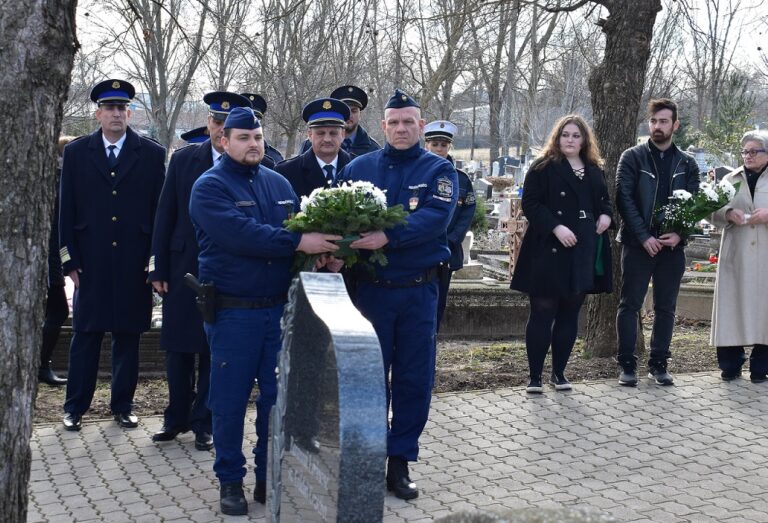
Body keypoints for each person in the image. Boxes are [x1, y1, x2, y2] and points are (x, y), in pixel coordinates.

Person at [188, 106, 340, 515]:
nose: (253, 144)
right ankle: (230, 480)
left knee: (277, 402)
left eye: (257, 137)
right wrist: (297, 244)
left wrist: (323, 256)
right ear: (224, 141)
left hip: (279, 313)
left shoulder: (279, 184)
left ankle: (266, 476)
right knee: (229, 401)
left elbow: (299, 237)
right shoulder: (209, 187)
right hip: (233, 314)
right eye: (243, 138)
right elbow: (241, 236)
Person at [339, 89, 457, 500]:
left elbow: (433, 218)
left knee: (413, 379)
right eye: (395, 122)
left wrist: (388, 234)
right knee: (368, 380)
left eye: (410, 122)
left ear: (421, 127)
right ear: (383, 126)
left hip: (418, 292)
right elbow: (339, 214)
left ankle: (400, 460)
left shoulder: (439, 171)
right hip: (369, 293)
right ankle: (366, 459)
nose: (403, 128)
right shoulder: (358, 167)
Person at [59, 79, 166, 431]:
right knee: (85, 337)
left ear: (129, 113)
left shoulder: (151, 154)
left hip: (134, 264)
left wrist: (154, 264)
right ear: (98, 114)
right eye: (109, 108)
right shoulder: (76, 153)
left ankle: (122, 405)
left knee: (128, 338)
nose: (116, 114)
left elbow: (159, 214)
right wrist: (68, 260)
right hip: (91, 262)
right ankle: (75, 407)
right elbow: (66, 211)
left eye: (122, 108)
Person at [149, 91, 250, 451]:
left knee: (212, 350)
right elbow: (165, 214)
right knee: (177, 347)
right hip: (181, 269)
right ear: (209, 124)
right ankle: (175, 417)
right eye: (215, 121)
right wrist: (156, 267)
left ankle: (203, 421)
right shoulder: (184, 160)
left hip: (225, 271)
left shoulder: (251, 164)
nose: (220, 128)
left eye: (227, 123)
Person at [510, 115, 613, 393]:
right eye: (565, 135)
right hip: (548, 249)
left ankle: (559, 373)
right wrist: (556, 227)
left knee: (570, 312)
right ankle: (534, 377)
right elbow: (530, 203)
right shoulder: (544, 167)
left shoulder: (594, 169)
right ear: (557, 138)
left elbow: (603, 200)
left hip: (583, 249)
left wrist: (605, 216)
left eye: (576, 135)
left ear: (584, 140)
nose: (570, 140)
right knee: (543, 311)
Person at [615, 98, 700, 387]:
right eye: (653, 121)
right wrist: (643, 236)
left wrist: (680, 234)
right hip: (638, 244)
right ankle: (627, 365)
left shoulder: (686, 163)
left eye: (664, 121)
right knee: (629, 305)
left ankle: (659, 364)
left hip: (672, 248)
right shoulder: (632, 157)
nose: (657, 126)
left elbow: (694, 203)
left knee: (666, 308)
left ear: (675, 124)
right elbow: (624, 199)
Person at [710, 130, 768, 382]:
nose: (748, 156)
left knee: (765, 311)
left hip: (765, 255)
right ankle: (731, 364)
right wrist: (727, 212)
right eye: (745, 151)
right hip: (737, 252)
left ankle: (761, 367)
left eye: (754, 151)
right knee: (731, 308)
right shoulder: (731, 179)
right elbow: (709, 207)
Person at [423, 120, 477, 330]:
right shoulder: (417, 172)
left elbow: (467, 211)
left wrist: (453, 237)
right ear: (426, 144)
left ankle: (433, 337)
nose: (439, 149)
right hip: (420, 247)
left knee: (439, 301)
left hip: (447, 248)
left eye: (443, 145)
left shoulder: (461, 179)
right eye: (434, 144)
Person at [39, 136, 77, 386]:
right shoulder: (59, 180)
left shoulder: (51, 178)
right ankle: (41, 365)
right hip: (48, 258)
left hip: (49, 257)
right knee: (58, 310)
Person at [275, 98, 353, 198]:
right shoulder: (286, 172)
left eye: (333, 133)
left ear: (342, 134)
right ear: (310, 134)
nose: (327, 139)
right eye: (321, 133)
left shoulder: (357, 168)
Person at [300, 84, 381, 157]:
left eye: (354, 111)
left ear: (361, 115)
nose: (350, 116)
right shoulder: (310, 144)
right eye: (345, 111)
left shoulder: (373, 149)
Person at [239, 92, 284, 168]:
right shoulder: (223, 152)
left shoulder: (275, 158)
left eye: (256, 120)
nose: (251, 125)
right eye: (245, 120)